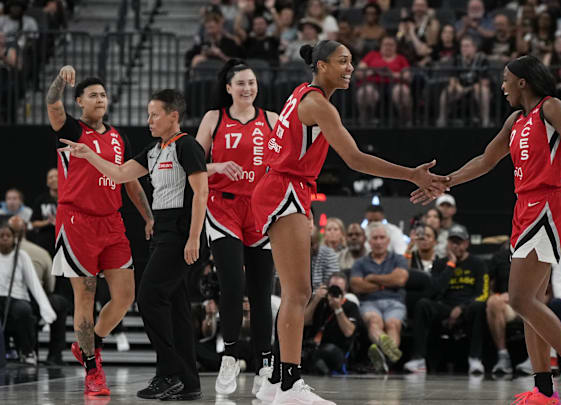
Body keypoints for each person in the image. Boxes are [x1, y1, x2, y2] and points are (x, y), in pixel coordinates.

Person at [249, 40, 445, 405]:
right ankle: (290, 385)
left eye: (351, 61)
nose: (350, 67)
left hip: (282, 186)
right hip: (284, 188)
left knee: (294, 292)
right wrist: (411, 175)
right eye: (342, 61)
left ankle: (275, 379)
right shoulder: (316, 103)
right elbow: (355, 159)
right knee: (297, 293)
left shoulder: (303, 94)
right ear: (321, 66)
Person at [411, 54, 561, 404]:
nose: (501, 86)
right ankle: (544, 390)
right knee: (532, 303)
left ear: (522, 82)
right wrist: (446, 181)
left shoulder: (552, 107)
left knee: (519, 299)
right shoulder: (516, 120)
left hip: (547, 203)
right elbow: (486, 161)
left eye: (505, 79)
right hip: (524, 205)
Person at [59, 89, 207, 400]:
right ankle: (189, 382)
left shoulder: (187, 146)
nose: (149, 120)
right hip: (163, 232)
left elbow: (202, 194)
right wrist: (89, 154)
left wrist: (194, 237)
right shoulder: (154, 150)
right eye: (148, 114)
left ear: (173, 117)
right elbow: (120, 173)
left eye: (155, 114)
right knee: (177, 307)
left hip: (181, 235)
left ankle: (168, 373)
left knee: (149, 298)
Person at [46, 65, 153, 396]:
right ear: (79, 101)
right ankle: (93, 368)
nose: (100, 99)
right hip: (77, 220)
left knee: (125, 297)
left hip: (112, 221)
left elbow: (129, 179)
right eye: (93, 95)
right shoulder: (71, 130)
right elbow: (52, 102)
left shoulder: (119, 136)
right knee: (86, 294)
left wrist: (147, 216)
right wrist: (60, 81)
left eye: (104, 95)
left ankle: (90, 344)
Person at [194, 59, 277, 397]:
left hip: (260, 210)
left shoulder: (271, 119)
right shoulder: (215, 118)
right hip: (223, 206)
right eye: (241, 83)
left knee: (261, 292)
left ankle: (265, 364)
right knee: (233, 283)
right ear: (228, 87)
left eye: (252, 82)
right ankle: (229, 354)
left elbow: (285, 163)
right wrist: (216, 165)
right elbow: (193, 162)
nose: (247, 88)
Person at [403, 225, 492, 375]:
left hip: (467, 307)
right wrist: (450, 265)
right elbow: (434, 290)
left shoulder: (478, 264)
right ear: (447, 244)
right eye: (452, 242)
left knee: (479, 306)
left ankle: (475, 359)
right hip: (445, 306)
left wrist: (462, 308)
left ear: (466, 244)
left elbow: (483, 293)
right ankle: (418, 359)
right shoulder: (440, 263)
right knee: (423, 304)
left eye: (459, 242)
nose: (456, 246)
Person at [350, 223, 409, 374]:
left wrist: (372, 278)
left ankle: (383, 356)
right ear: (369, 242)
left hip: (394, 302)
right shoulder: (360, 263)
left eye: (382, 237)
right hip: (369, 302)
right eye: (375, 238)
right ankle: (390, 355)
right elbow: (356, 285)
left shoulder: (399, 259)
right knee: (374, 322)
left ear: (388, 241)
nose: (378, 241)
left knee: (393, 324)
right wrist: (386, 283)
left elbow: (400, 279)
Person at [0, 223, 56, 365]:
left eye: (8, 236)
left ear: (14, 238)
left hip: (17, 297)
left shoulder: (21, 256)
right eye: (1, 236)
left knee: (24, 311)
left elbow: (34, 283)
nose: (5, 238)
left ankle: (27, 350)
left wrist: (45, 308)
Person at [303, 272, 360, 375]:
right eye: (332, 288)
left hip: (336, 350)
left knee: (328, 351)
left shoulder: (351, 306)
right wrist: (315, 299)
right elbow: (304, 322)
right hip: (313, 346)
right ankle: (314, 365)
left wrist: (338, 309)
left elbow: (349, 332)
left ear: (345, 291)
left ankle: (314, 365)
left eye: (339, 289)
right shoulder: (320, 302)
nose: (335, 292)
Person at [30, 168, 58, 254]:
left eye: (56, 176)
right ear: (47, 182)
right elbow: (33, 223)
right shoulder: (41, 200)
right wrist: (48, 222)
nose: (54, 179)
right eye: (50, 177)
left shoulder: (70, 199)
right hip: (45, 242)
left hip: (65, 240)